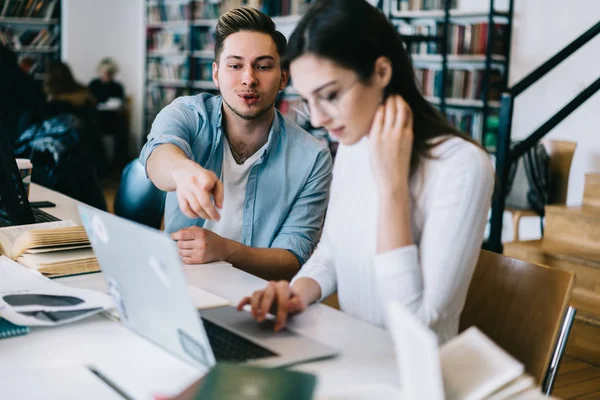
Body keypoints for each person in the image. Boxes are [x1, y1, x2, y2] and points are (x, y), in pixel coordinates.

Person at [237, 0, 495, 344]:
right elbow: (331, 251)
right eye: (308, 101)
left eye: (329, 95)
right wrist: (295, 292)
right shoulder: (354, 143)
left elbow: (416, 327)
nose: (317, 119)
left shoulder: (462, 167)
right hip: (352, 353)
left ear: (382, 73)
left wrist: (392, 188)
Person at [139, 7, 333, 281]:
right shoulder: (188, 113)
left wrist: (225, 251)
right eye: (235, 65)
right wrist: (181, 171)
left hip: (254, 295)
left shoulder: (313, 158)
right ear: (216, 74)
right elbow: (158, 154)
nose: (248, 79)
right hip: (177, 280)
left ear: (283, 78)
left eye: (263, 66)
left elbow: (293, 257)